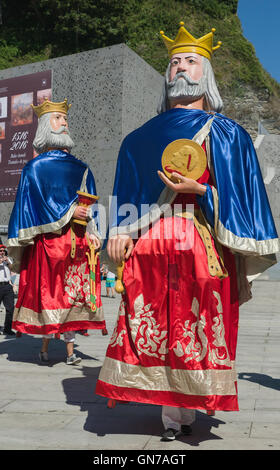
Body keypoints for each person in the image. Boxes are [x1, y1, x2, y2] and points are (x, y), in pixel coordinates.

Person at [95, 22, 280, 440]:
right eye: (175, 61)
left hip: (201, 239)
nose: (181, 68)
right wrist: (119, 231)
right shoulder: (139, 138)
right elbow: (127, 192)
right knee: (152, 322)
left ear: (206, 74)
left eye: (191, 61)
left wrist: (204, 190)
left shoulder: (227, 133)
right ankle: (168, 409)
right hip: (153, 243)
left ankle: (185, 403)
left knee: (197, 322)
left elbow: (245, 196)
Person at [7, 98, 106, 365]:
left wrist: (94, 229)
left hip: (77, 243)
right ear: (45, 126)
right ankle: (46, 345)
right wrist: (69, 212)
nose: (64, 123)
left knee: (72, 297)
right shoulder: (34, 169)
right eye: (58, 119)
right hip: (49, 244)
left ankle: (68, 351)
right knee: (51, 295)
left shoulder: (81, 168)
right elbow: (34, 204)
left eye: (65, 119)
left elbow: (89, 201)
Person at [0, 244, 15, 336]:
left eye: (3, 251)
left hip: (7, 286)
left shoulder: (8, 259)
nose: (2, 252)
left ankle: (7, 328)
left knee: (10, 308)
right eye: (0, 251)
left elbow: (13, 269)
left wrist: (7, 262)